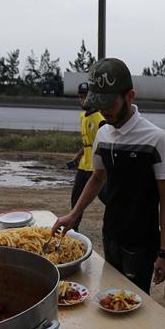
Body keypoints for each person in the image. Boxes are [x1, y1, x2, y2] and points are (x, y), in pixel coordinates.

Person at [53, 57, 165, 329]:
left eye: (110, 104)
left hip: (142, 239)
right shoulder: (104, 134)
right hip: (112, 234)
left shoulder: (155, 139)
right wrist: (73, 214)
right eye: (99, 105)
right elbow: (97, 178)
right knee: (109, 303)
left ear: (130, 96)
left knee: (135, 309)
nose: (104, 112)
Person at [67, 81, 106, 231]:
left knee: (106, 197)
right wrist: (77, 157)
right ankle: (73, 228)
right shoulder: (83, 116)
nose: (82, 100)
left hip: (97, 168)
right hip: (84, 166)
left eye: (86, 97)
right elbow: (87, 143)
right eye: (80, 96)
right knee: (76, 199)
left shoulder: (100, 120)